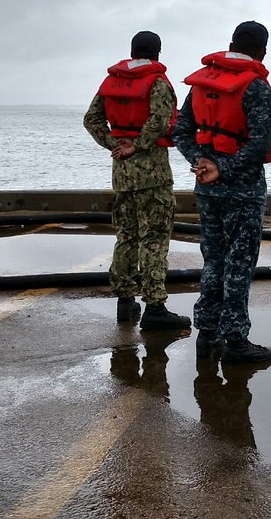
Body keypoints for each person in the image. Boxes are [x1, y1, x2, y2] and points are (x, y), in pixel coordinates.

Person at [173, 21, 271, 363]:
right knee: (239, 264)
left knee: (214, 259)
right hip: (243, 192)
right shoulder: (258, 88)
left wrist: (200, 160)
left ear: (230, 44)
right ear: (262, 52)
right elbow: (261, 143)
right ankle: (235, 340)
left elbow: (181, 130)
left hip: (206, 188)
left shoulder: (202, 85)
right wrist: (225, 168)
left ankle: (206, 333)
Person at [84, 30, 191, 330]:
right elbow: (160, 120)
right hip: (153, 174)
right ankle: (155, 307)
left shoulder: (110, 83)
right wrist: (139, 143)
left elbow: (90, 119)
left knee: (126, 236)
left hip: (121, 174)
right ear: (157, 52)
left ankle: (125, 302)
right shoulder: (157, 82)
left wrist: (114, 144)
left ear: (132, 52)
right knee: (154, 239)